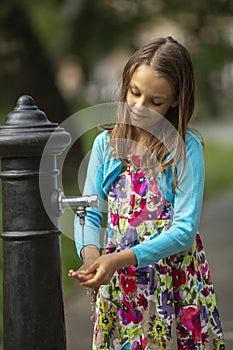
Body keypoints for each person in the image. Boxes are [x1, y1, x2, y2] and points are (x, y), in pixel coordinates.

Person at [69, 36, 225, 349]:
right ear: (126, 84)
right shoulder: (106, 146)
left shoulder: (185, 149)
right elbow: (89, 210)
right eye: (134, 93)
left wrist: (119, 259)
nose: (140, 107)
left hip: (174, 280)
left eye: (155, 101)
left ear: (176, 100)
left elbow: (184, 230)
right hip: (123, 283)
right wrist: (93, 257)